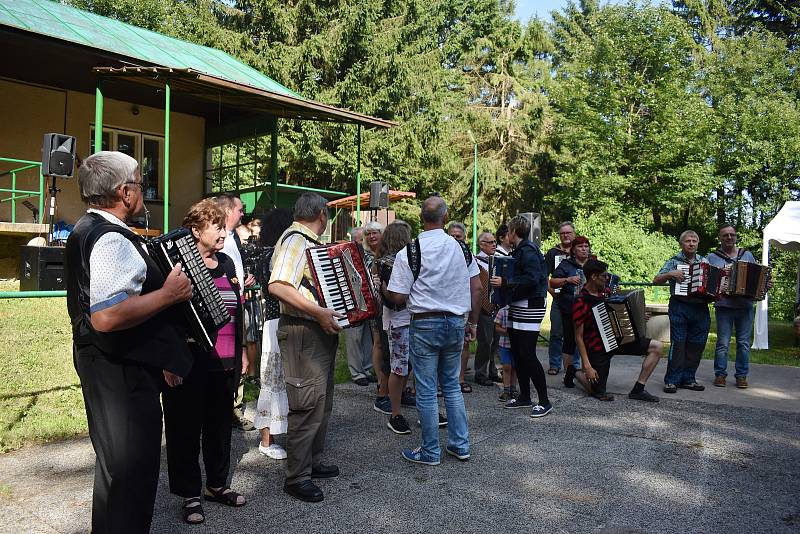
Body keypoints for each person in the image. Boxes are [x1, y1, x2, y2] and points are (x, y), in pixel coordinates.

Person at [65, 151, 193, 533]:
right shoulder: (111, 239)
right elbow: (107, 316)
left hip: (107, 364)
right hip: (119, 371)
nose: (142, 191)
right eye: (140, 183)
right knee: (130, 474)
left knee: (116, 473)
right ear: (124, 193)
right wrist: (170, 294)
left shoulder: (84, 229)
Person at [162, 199, 248, 525]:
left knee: (219, 428)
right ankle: (189, 494)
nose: (223, 232)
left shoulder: (226, 263)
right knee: (185, 429)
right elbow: (167, 317)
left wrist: (240, 352)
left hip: (224, 362)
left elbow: (235, 312)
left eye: (224, 226)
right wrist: (169, 360)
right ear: (196, 231)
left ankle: (216, 485)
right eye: (217, 227)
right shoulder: (178, 267)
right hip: (190, 361)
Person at [387, 196, 481, 465]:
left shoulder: (411, 251)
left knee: (427, 390)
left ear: (420, 218)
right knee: (452, 385)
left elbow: (397, 296)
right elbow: (476, 288)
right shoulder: (461, 249)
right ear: (446, 216)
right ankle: (460, 445)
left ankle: (430, 451)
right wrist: (472, 323)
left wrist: (385, 289)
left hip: (425, 323)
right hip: (455, 322)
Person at [268, 193, 343, 503]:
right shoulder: (297, 240)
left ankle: (311, 463)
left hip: (313, 330)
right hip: (303, 331)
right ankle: (296, 477)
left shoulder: (305, 240)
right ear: (322, 215)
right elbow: (277, 285)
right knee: (307, 403)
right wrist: (319, 312)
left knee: (320, 402)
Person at [572, 259, 662, 402]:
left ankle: (638, 389)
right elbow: (578, 337)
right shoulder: (580, 301)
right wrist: (587, 366)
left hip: (619, 339)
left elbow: (619, 312)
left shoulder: (607, 293)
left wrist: (637, 315)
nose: (608, 278)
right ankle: (575, 372)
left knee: (657, 347)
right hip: (598, 347)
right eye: (604, 276)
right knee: (597, 392)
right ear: (593, 277)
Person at [490, 214, 552, 417]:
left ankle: (544, 401)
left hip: (529, 307)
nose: (506, 234)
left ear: (513, 232)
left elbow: (532, 279)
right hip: (519, 305)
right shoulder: (520, 250)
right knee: (517, 352)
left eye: (508, 230)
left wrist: (506, 283)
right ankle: (525, 396)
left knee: (527, 354)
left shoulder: (528, 251)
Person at [707, 224, 770, 389]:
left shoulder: (746, 255)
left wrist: (764, 284)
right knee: (723, 343)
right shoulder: (712, 257)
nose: (729, 237)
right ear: (720, 238)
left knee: (743, 343)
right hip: (724, 306)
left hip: (745, 306)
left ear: (736, 236)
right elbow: (707, 282)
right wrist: (720, 284)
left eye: (732, 235)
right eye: (725, 235)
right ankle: (720, 374)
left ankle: (741, 376)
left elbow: (758, 276)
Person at [254, 208, 294, 460]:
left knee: (274, 380)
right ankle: (267, 440)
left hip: (271, 321)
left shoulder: (265, 253)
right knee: (274, 380)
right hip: (277, 321)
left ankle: (272, 437)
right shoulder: (276, 255)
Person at [215, 193, 257, 431]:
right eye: (240, 209)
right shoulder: (223, 239)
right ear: (228, 210)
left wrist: (243, 280)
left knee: (237, 352)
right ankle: (231, 408)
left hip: (238, 299)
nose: (243, 213)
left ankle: (234, 405)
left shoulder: (232, 238)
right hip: (226, 306)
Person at [653, 230, 710, 393]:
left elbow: (713, 283)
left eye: (694, 241)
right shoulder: (674, 261)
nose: (691, 244)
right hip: (680, 305)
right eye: (688, 241)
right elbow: (656, 280)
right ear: (681, 244)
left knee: (697, 344)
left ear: (698, 244)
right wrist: (670, 274)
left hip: (701, 307)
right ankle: (672, 380)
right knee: (678, 344)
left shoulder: (704, 262)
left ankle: (689, 378)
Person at [374, 221, 415, 434]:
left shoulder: (395, 261)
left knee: (405, 365)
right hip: (398, 320)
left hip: (405, 319)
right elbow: (393, 300)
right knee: (398, 366)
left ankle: (396, 402)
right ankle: (395, 412)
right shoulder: (389, 263)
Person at [549, 235, 591, 387]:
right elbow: (552, 282)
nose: (584, 249)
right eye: (580, 246)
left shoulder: (593, 264)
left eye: (586, 246)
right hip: (569, 308)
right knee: (569, 340)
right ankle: (568, 374)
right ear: (573, 250)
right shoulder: (566, 265)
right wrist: (568, 280)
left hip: (589, 309)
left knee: (588, 340)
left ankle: (587, 370)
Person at [344, 227, 375, 386]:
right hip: (352, 300)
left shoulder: (369, 255)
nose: (362, 242)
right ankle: (356, 373)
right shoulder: (346, 255)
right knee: (354, 336)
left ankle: (367, 369)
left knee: (367, 336)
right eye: (359, 239)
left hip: (367, 299)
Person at [544, 221, 576, 375]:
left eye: (568, 232)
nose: (565, 235)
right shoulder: (553, 253)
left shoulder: (581, 251)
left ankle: (574, 366)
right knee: (556, 333)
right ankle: (555, 364)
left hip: (577, 301)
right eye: (563, 233)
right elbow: (544, 277)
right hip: (559, 299)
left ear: (574, 234)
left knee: (577, 334)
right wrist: (552, 292)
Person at [448, 221, 473, 392]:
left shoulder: (468, 254)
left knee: (464, 344)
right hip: (443, 306)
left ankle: (460, 378)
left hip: (462, 305)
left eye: (459, 236)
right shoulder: (440, 252)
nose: (456, 239)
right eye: (452, 236)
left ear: (464, 238)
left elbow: (475, 284)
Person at [474, 231, 502, 386]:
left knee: (496, 342)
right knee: (485, 342)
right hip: (483, 308)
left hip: (497, 306)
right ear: (482, 244)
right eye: (490, 242)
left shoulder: (497, 260)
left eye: (494, 242)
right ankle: (480, 373)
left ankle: (492, 371)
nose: (494, 245)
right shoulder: (475, 261)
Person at [494, 305, 518, 401]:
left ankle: (513, 389)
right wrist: (507, 331)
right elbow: (497, 327)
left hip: (516, 345)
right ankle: (506, 390)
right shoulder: (502, 311)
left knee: (515, 367)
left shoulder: (519, 311)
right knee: (507, 367)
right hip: (504, 345)